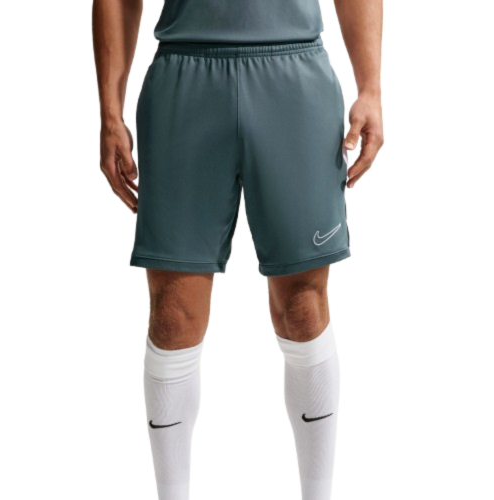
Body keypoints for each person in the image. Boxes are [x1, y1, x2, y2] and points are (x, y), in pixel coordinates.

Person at [92, 0, 383, 498]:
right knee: (174, 316)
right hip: (185, 75)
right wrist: (109, 110)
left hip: (294, 75)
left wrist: (371, 86)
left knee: (303, 308)